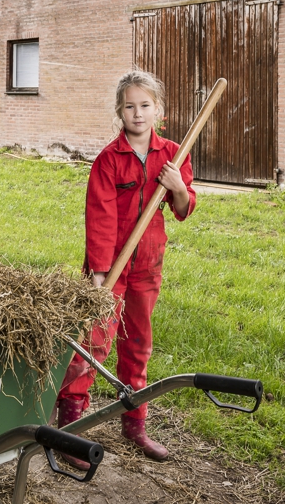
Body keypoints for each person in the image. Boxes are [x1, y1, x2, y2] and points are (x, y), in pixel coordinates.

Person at [55, 69, 196, 465]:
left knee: (138, 342)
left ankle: (135, 424)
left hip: (148, 264)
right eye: (130, 106)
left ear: (158, 110)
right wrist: (100, 272)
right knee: (93, 342)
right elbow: (99, 217)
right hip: (109, 265)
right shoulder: (109, 159)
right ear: (119, 111)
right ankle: (69, 424)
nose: (138, 113)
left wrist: (178, 187)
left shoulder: (173, 155)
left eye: (145, 105)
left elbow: (183, 209)